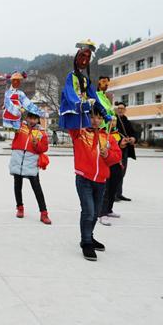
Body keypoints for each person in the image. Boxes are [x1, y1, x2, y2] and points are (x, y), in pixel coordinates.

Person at [69, 104, 121, 261]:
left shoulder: (108, 137)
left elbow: (116, 157)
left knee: (95, 213)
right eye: (92, 116)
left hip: (101, 180)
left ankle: (89, 236)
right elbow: (71, 122)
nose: (95, 120)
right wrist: (82, 105)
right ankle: (86, 243)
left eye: (99, 117)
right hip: (84, 178)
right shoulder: (80, 133)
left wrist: (107, 154)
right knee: (88, 211)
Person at [9, 110, 51, 224]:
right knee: (17, 186)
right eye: (30, 118)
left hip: (31, 163)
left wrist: (36, 144)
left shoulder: (41, 133)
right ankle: (20, 208)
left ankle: (44, 213)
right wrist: (12, 109)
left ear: (38, 120)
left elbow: (44, 148)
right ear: (26, 118)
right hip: (18, 160)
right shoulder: (19, 127)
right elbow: (9, 123)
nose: (32, 121)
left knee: (37, 188)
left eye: (35, 118)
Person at [59, 39, 108, 130]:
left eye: (87, 58)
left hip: (83, 113)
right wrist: (79, 104)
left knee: (85, 137)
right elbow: (69, 93)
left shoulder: (85, 80)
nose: (84, 61)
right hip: (73, 113)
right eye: (83, 57)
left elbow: (94, 96)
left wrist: (104, 112)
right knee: (79, 138)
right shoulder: (70, 77)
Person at [98, 116, 131, 226]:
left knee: (113, 189)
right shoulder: (103, 135)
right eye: (111, 121)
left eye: (115, 121)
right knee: (106, 190)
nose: (113, 123)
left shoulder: (118, 134)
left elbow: (119, 150)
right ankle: (102, 213)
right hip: (107, 165)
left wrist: (123, 145)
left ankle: (109, 209)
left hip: (117, 164)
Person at [114, 102, 138, 201]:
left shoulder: (126, 120)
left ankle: (119, 193)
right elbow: (113, 133)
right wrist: (120, 141)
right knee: (116, 172)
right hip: (116, 149)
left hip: (125, 149)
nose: (120, 110)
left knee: (122, 172)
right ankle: (113, 194)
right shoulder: (114, 120)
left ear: (125, 110)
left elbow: (133, 132)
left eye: (122, 108)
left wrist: (133, 138)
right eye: (119, 108)